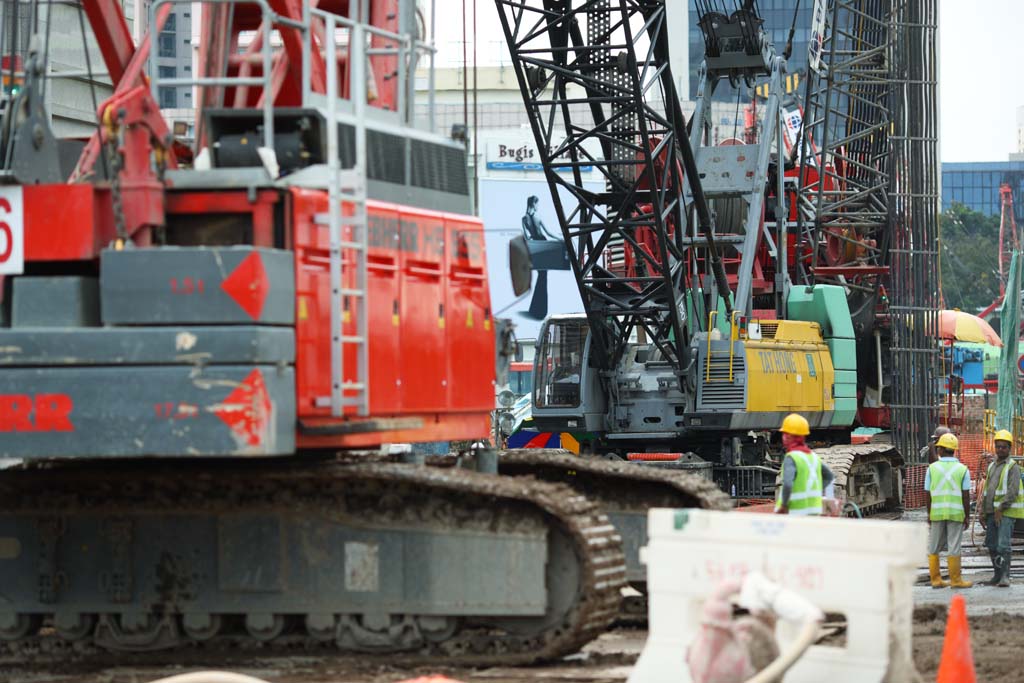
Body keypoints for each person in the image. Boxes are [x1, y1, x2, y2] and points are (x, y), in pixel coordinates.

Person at [924, 432, 972, 588]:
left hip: (936, 513)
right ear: (954, 450)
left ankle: (936, 580)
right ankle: (956, 580)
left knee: (933, 547)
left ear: (941, 450)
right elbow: (966, 496)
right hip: (956, 513)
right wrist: (967, 516)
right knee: (954, 546)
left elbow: (928, 495)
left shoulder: (931, 469)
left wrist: (929, 514)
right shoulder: (963, 470)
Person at [981, 430, 1022, 587]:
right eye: (998, 447)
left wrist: (1000, 509)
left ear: (1009, 448)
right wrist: (983, 512)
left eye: (1003, 447)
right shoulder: (992, 466)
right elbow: (987, 491)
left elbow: (1012, 492)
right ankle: (997, 575)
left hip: (1006, 512)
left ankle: (1005, 576)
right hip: (992, 513)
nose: (1000, 450)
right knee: (991, 545)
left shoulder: (1013, 467)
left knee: (1003, 545)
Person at [774, 413, 834, 516]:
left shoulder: (791, 458)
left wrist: (784, 505)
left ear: (789, 437)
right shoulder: (813, 456)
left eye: (786, 434)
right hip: (814, 511)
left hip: (795, 513)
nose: (783, 437)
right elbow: (829, 476)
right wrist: (815, 492)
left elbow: (788, 484)